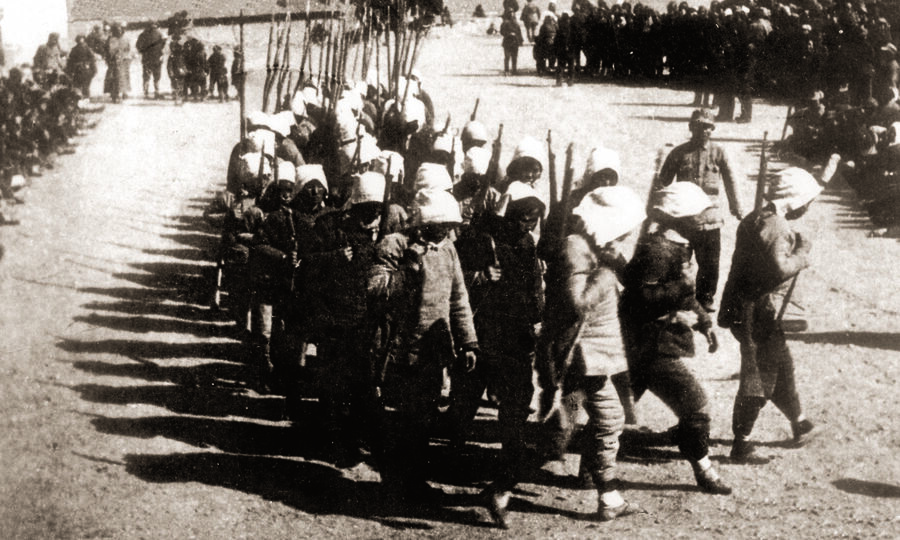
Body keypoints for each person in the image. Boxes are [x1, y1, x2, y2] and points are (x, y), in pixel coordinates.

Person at [535, 186, 647, 524]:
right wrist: (606, 273)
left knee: (565, 425)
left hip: (591, 354)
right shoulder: (575, 248)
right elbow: (577, 302)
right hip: (581, 353)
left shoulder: (588, 247)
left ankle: (502, 487)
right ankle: (608, 497)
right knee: (605, 420)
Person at [619, 181, 732, 495]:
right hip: (652, 345)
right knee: (696, 407)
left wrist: (704, 321)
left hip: (648, 344)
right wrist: (680, 295)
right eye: (698, 216)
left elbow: (683, 294)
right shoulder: (658, 250)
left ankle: (588, 468)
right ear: (682, 218)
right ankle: (704, 471)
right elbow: (642, 297)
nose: (704, 222)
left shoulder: (676, 245)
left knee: (613, 411)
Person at [372, 188, 478, 503]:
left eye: (449, 226)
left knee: (423, 419)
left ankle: (414, 482)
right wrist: (406, 270)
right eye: (439, 225)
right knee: (397, 419)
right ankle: (393, 483)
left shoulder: (448, 250)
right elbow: (376, 290)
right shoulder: (395, 245)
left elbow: (458, 298)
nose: (445, 231)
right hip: (398, 349)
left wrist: (468, 341)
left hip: (433, 349)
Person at [451, 182, 545, 526]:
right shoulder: (484, 240)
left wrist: (536, 316)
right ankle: (453, 450)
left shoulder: (528, 244)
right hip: (485, 332)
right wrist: (481, 276)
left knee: (516, 401)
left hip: (516, 336)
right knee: (466, 396)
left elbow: (533, 286)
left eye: (533, 220)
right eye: (523, 218)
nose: (527, 225)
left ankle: (508, 457)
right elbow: (454, 280)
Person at [718, 167, 820, 463]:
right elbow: (779, 268)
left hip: (746, 307)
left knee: (781, 365)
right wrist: (802, 253)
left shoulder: (755, 218)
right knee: (760, 377)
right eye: (807, 201)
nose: (808, 207)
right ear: (795, 199)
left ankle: (799, 422)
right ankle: (742, 444)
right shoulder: (777, 227)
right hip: (760, 313)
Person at [656, 109, 744, 312]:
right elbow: (662, 183)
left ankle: (705, 298)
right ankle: (680, 298)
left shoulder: (719, 152)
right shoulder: (678, 153)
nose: (704, 130)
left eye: (708, 127)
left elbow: (730, 180)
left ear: (713, 129)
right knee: (680, 261)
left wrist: (736, 207)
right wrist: (660, 210)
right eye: (699, 126)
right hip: (684, 218)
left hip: (709, 218)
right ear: (691, 127)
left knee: (710, 263)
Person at [136, 22, 166, 99]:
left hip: (146, 58)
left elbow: (138, 46)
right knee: (157, 76)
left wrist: (143, 52)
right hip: (157, 58)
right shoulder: (160, 34)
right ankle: (157, 92)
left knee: (146, 76)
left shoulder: (143, 34)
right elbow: (163, 44)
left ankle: (146, 93)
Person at [104, 24, 131, 103]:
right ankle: (115, 95)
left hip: (123, 61)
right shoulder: (112, 39)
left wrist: (126, 56)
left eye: (120, 30)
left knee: (123, 77)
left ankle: (124, 92)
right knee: (114, 78)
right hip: (114, 61)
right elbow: (109, 51)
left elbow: (128, 49)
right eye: (117, 30)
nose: (119, 32)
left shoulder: (125, 38)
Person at [500, 10, 524, 75]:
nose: (511, 14)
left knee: (514, 57)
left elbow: (519, 32)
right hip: (507, 41)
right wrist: (509, 34)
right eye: (510, 13)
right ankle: (507, 70)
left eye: (512, 13)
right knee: (507, 56)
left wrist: (521, 40)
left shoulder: (516, 23)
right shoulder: (505, 23)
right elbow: (502, 32)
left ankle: (514, 70)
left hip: (515, 41)